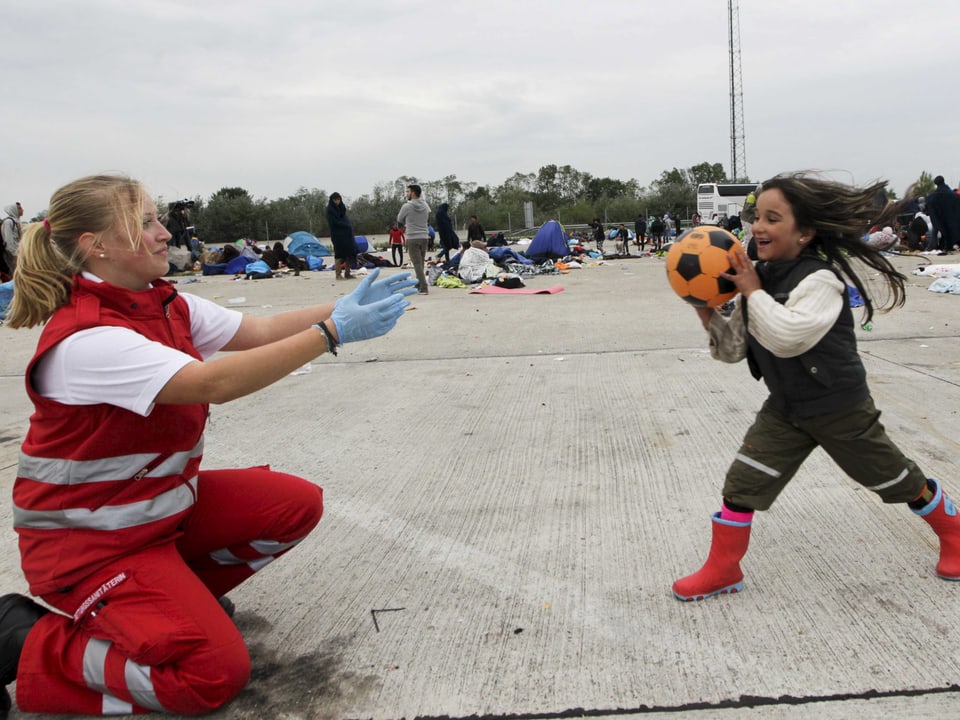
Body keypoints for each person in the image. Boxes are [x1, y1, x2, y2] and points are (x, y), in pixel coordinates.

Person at [0, 173, 417, 716]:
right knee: (208, 677)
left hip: (152, 518)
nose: (163, 233)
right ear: (95, 245)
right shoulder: (88, 339)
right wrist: (332, 333)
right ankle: (24, 641)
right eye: (145, 222)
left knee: (292, 506)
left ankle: (170, 610)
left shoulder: (162, 304)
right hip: (90, 547)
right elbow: (212, 384)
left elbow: (260, 331)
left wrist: (338, 307)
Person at [672, 172, 960, 603]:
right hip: (787, 408)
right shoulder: (761, 279)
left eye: (773, 218)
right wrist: (706, 309)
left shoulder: (820, 281)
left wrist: (752, 292)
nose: (758, 227)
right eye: (757, 217)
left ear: (804, 232)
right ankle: (723, 568)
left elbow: (789, 336)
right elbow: (733, 351)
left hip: (840, 409)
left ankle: (954, 532)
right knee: (743, 484)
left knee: (895, 480)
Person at [397, 184, 431, 294]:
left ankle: (424, 287)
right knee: (420, 262)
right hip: (424, 237)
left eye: (408, 192)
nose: (407, 194)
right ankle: (418, 283)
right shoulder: (425, 206)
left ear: (413, 193)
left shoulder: (407, 206)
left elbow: (399, 219)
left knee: (416, 263)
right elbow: (427, 218)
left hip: (412, 237)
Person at [325, 192, 359, 279]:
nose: (337, 201)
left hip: (347, 235)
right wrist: (345, 225)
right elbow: (334, 223)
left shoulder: (342, 208)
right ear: (332, 200)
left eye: (338, 199)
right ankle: (338, 274)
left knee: (349, 253)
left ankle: (347, 273)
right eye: (335, 199)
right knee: (339, 254)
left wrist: (348, 227)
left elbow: (345, 218)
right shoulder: (330, 210)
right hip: (337, 235)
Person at [925, 175, 960, 253]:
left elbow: (929, 203)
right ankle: (949, 246)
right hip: (951, 217)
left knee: (937, 231)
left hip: (940, 218)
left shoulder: (933, 197)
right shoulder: (952, 194)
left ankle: (934, 246)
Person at [1, 202, 23, 276]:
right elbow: (8, 241)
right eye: (19, 208)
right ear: (14, 210)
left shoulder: (18, 222)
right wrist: (15, 254)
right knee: (14, 273)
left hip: (19, 252)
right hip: (12, 254)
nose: (22, 210)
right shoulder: (9, 222)